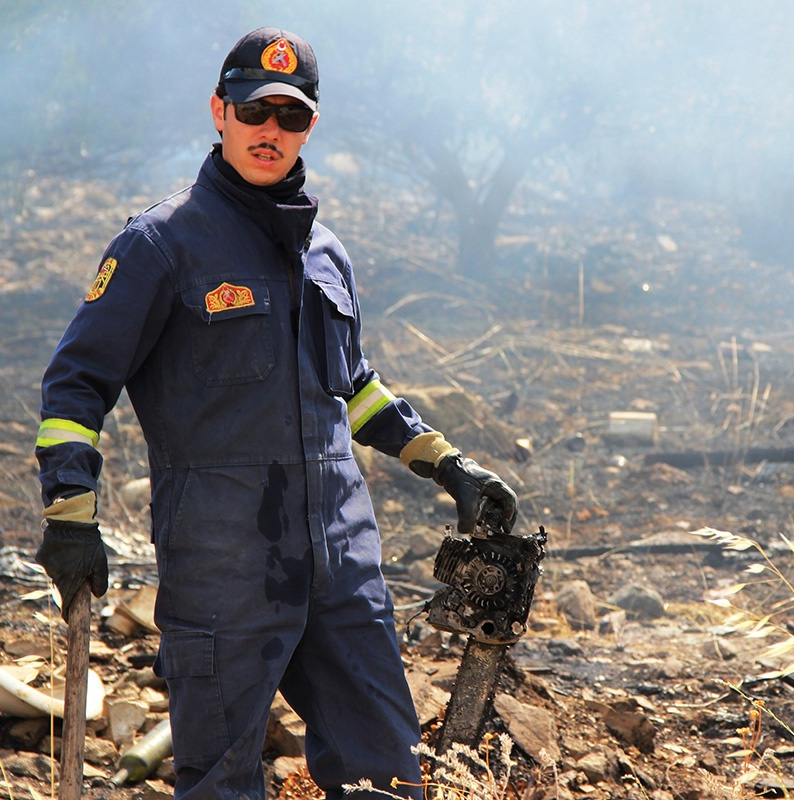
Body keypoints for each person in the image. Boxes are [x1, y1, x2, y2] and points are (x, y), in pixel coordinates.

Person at [33, 27, 519, 800]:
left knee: (388, 776)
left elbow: (353, 384)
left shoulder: (325, 252)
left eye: (290, 117)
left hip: (342, 564)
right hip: (223, 568)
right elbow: (76, 384)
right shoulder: (160, 244)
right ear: (219, 111)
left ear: (310, 128)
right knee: (221, 783)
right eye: (255, 110)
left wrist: (449, 464)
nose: (271, 131)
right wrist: (69, 514)